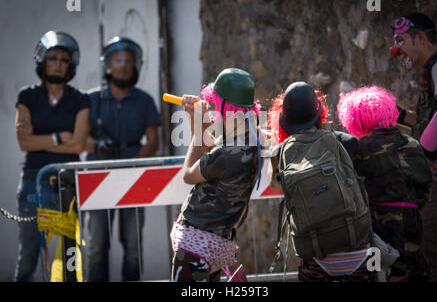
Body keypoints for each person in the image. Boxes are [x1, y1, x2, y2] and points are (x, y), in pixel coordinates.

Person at [268, 82, 374, 282]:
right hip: (357, 247)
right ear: (320, 112)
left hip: (316, 254)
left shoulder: (282, 152)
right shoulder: (348, 142)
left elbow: (275, 185)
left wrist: (275, 151)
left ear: (285, 120)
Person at [170, 68, 262, 282]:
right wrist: (196, 121)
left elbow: (189, 174)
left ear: (226, 108)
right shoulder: (252, 141)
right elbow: (209, 147)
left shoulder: (226, 154)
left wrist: (200, 127)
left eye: (213, 103)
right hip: (217, 242)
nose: (210, 107)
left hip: (197, 246)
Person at [14, 31, 90, 281]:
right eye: (52, 58)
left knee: (65, 254)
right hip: (32, 184)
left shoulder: (80, 99)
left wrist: (42, 141)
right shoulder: (27, 96)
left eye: (64, 59)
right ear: (42, 61)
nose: (58, 63)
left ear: (71, 65)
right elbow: (24, 142)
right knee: (28, 257)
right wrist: (59, 138)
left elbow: (78, 144)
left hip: (67, 185)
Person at [85, 36, 161, 282]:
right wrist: (97, 145)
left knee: (133, 246)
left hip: (133, 178)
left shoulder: (145, 100)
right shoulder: (91, 99)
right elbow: (78, 138)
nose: (123, 65)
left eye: (128, 60)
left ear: (135, 65)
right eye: (117, 60)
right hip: (96, 178)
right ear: (107, 65)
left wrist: (132, 163)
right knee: (97, 246)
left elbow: (153, 141)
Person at [337, 85, 432, 281]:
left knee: (381, 272)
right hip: (412, 220)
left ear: (355, 118)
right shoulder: (413, 143)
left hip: (378, 225)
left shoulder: (360, 147)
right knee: (412, 270)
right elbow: (425, 185)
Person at [389, 13, 437, 281]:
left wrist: (426, 149)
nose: (396, 49)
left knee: (435, 248)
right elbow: (435, 114)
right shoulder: (434, 70)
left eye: (401, 40)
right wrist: (401, 116)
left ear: (421, 37)